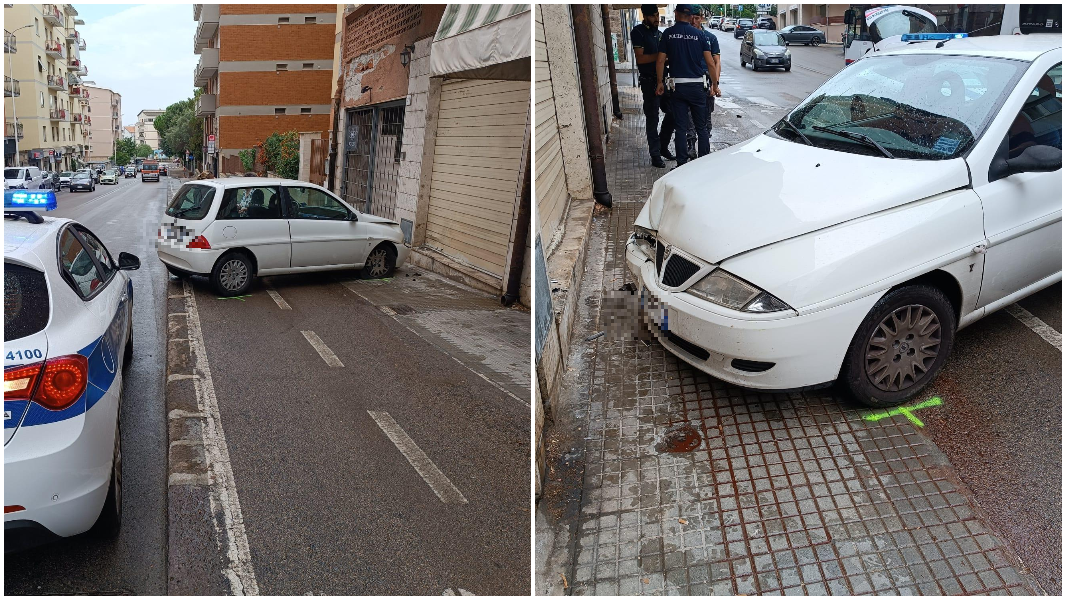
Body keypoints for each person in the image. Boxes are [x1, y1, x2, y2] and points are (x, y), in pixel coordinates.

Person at [656, 5, 720, 167]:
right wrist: (715, 84)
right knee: (701, 127)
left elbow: (660, 61)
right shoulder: (700, 35)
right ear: (691, 16)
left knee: (680, 128)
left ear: (676, 14)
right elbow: (710, 63)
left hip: (677, 87)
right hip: (697, 86)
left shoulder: (668, 34)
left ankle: (681, 164)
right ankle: (703, 163)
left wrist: (659, 82)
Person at [631, 5, 675, 168]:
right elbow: (640, 59)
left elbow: (664, 60)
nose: (656, 19)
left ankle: (663, 146)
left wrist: (671, 58)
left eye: (657, 15)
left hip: (663, 80)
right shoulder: (638, 32)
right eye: (653, 16)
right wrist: (660, 57)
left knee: (672, 113)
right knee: (653, 118)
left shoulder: (660, 34)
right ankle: (655, 155)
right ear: (645, 16)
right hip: (649, 82)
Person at [686, 8, 722, 158]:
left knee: (706, 118)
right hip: (689, 81)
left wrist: (715, 83)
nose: (694, 22)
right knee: (689, 118)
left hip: (706, 81)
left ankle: (704, 152)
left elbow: (716, 62)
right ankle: (691, 146)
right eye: (691, 19)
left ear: (701, 18)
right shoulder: (685, 36)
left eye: (697, 18)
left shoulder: (710, 38)